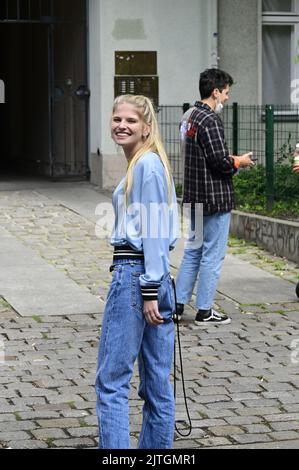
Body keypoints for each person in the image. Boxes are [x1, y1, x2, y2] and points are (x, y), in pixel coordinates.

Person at [95, 94, 178, 449]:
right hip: (152, 278)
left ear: (147, 126)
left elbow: (156, 231)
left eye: (130, 120)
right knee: (156, 384)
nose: (122, 125)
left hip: (136, 275)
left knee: (111, 382)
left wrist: (148, 290)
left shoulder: (147, 166)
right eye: (117, 119)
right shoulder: (144, 164)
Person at [176, 68, 254, 325]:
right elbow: (220, 161)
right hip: (215, 197)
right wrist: (239, 162)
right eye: (226, 93)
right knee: (212, 254)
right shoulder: (209, 120)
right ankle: (204, 311)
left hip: (194, 196)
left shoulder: (188, 116)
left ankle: (177, 305)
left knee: (193, 251)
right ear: (215, 92)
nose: (227, 99)